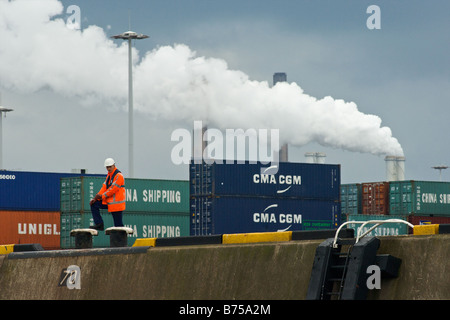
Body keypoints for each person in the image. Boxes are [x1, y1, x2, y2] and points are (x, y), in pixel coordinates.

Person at [89, 158, 126, 230]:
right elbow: (104, 187)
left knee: (118, 226)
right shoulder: (109, 176)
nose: (108, 168)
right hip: (109, 202)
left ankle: (121, 240)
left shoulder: (119, 176)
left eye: (110, 167)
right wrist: (96, 198)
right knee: (94, 204)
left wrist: (102, 196)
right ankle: (99, 224)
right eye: (107, 167)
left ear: (114, 165)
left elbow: (113, 189)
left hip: (117, 205)